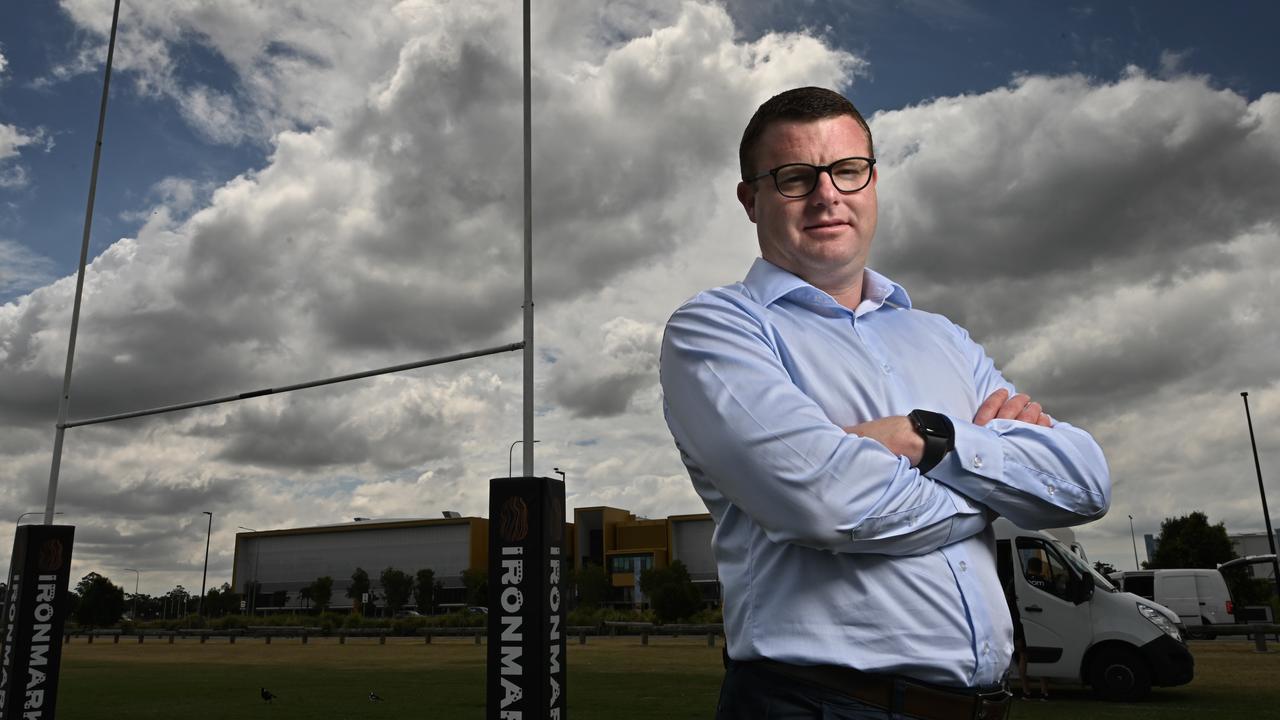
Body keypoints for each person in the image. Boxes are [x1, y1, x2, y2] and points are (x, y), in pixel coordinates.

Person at [659, 86, 1111, 720]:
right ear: (749, 199)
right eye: (795, 177)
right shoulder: (717, 329)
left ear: (871, 181)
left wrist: (927, 438)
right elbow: (827, 504)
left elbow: (1085, 481)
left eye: (848, 170)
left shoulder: (942, 337)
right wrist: (996, 491)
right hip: (818, 705)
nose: (827, 195)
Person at [1003, 576, 1050, 702]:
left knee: (1023, 656)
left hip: (1021, 624)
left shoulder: (1018, 580)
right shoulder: (1045, 582)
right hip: (1042, 624)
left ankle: (1026, 691)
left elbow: (1009, 603)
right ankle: (1044, 692)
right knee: (1041, 656)